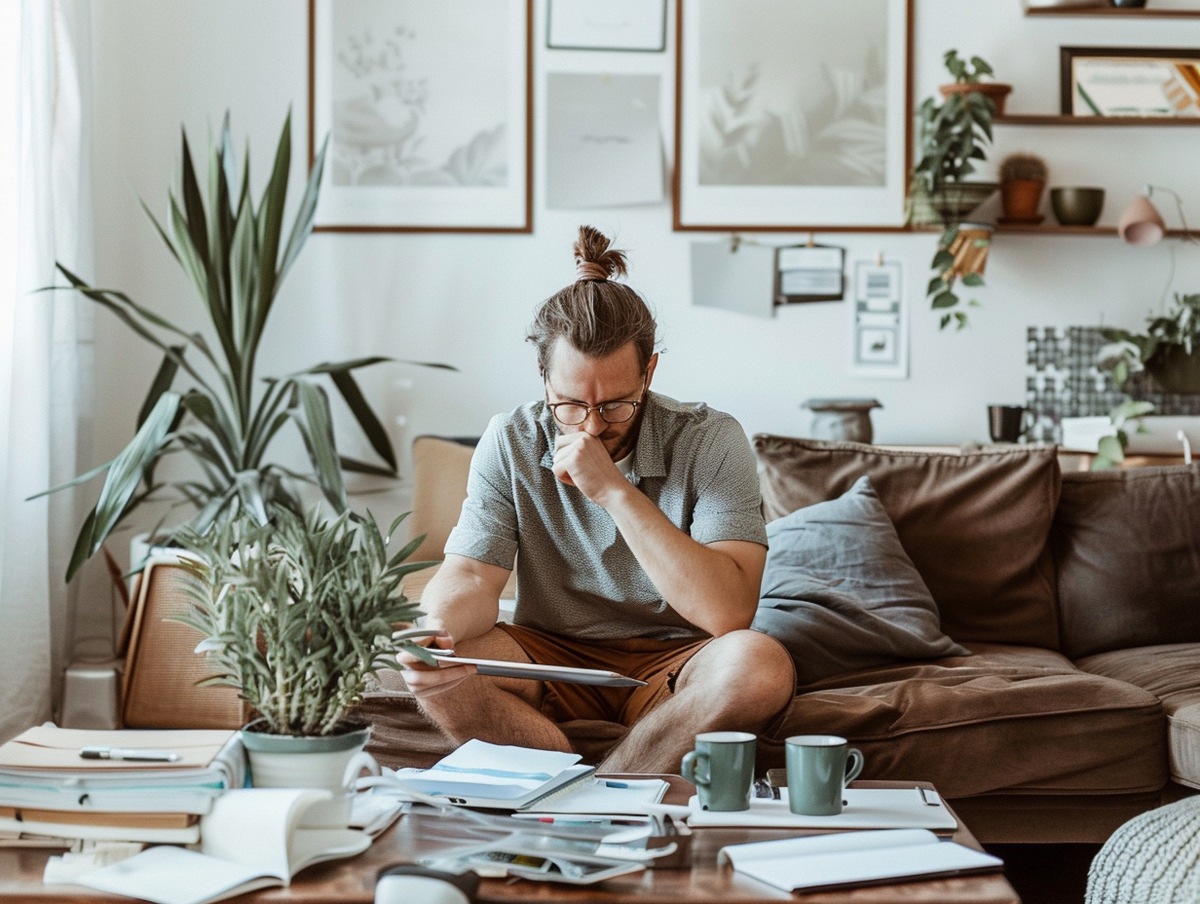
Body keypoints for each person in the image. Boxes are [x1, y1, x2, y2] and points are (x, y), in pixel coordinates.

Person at [397, 225, 794, 773]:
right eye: (569, 404)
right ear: (543, 378)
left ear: (649, 373)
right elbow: (470, 576)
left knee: (760, 664)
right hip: (550, 654)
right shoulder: (510, 438)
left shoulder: (710, 439)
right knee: (437, 668)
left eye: (615, 405)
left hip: (679, 658)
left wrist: (613, 490)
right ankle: (556, 774)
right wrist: (436, 632)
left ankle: (610, 790)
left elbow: (727, 613)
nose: (591, 424)